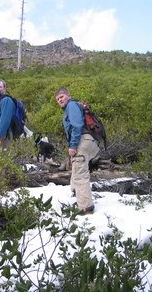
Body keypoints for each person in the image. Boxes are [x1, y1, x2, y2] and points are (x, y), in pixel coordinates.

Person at [54, 87, 100, 215]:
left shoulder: (72, 105)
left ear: (69, 95)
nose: (60, 100)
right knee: (76, 168)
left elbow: (77, 125)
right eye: (58, 99)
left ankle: (86, 209)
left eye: (62, 97)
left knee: (80, 175)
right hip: (91, 142)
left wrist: (73, 146)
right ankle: (78, 197)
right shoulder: (74, 106)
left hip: (83, 142)